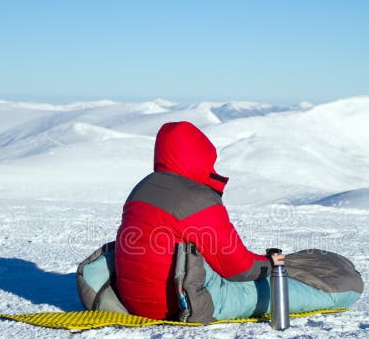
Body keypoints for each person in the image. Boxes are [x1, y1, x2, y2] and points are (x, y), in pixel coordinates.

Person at [114, 121, 282, 320]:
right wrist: (270, 264)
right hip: (177, 304)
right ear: (199, 157)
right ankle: (329, 296)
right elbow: (238, 267)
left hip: (133, 301)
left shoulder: (142, 187)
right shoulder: (197, 198)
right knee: (280, 287)